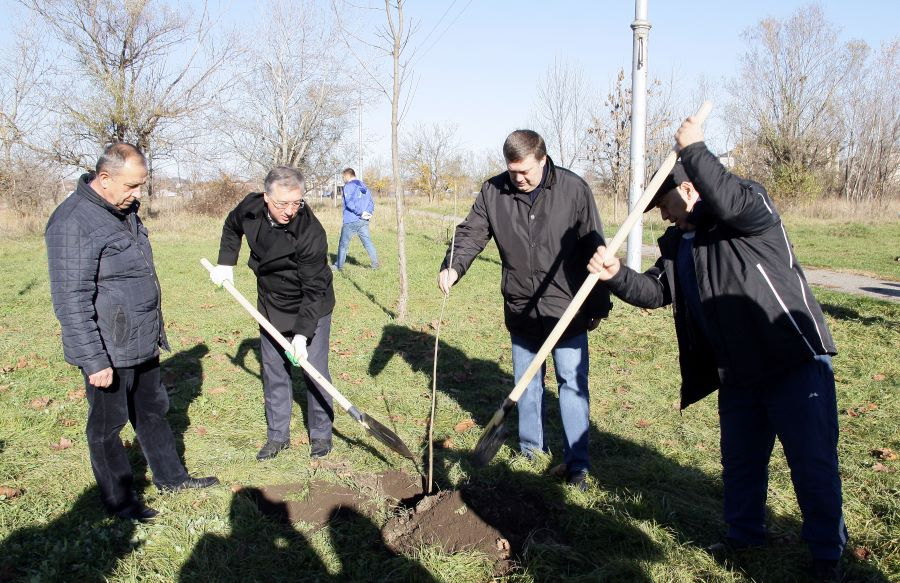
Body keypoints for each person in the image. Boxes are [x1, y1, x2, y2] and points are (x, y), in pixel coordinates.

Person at [588, 116, 847, 580]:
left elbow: (726, 199)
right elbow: (657, 292)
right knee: (741, 463)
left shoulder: (751, 211)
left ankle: (827, 553)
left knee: (812, 463)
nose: (662, 216)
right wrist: (615, 277)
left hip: (791, 360)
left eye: (664, 205)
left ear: (688, 190)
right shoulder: (680, 242)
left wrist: (695, 150)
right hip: (737, 374)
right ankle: (744, 536)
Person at [45, 143, 219, 523]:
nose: (138, 194)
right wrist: (94, 359)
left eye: (141, 185)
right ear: (104, 179)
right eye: (132, 186)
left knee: (153, 412)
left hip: (141, 338)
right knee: (107, 427)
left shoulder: (122, 211)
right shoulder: (72, 222)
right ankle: (120, 502)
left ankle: (172, 478)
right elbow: (70, 299)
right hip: (107, 347)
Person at [438, 130, 611, 490]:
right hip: (521, 306)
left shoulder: (573, 189)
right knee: (526, 383)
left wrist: (598, 303)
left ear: (543, 159)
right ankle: (531, 450)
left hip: (568, 307)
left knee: (572, 383)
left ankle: (577, 463)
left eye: (526, 172)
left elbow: (594, 244)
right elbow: (471, 233)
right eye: (513, 171)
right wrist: (453, 265)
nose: (519, 179)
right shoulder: (493, 191)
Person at [210, 166, 336, 461]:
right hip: (270, 301)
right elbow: (231, 226)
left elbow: (314, 291)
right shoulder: (251, 208)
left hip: (309, 304)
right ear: (266, 197)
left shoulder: (310, 233)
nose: (290, 210)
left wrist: (303, 336)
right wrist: (226, 263)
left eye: (297, 203)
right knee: (274, 371)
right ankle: (277, 435)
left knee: (314, 371)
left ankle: (320, 434)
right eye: (282, 203)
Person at [332, 167, 378, 271]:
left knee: (343, 244)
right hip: (363, 220)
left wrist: (359, 212)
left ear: (347, 175)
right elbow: (371, 202)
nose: (343, 179)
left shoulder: (348, 186)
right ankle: (375, 264)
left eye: (343, 177)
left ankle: (339, 266)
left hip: (351, 220)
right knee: (367, 242)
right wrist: (367, 213)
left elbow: (349, 203)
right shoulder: (363, 185)